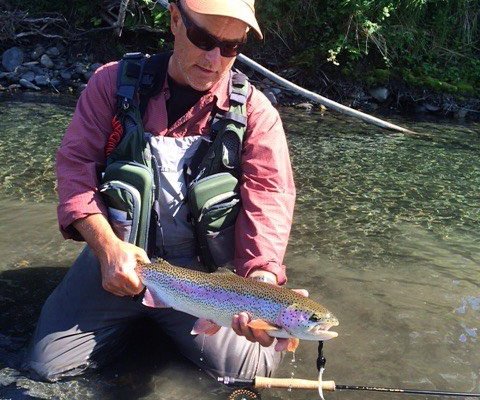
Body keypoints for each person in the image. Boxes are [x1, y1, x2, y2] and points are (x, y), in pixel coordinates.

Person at [24, 0, 296, 383]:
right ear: (174, 20)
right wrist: (106, 247)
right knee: (45, 370)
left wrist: (262, 283)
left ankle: (157, 328)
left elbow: (269, 199)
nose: (214, 58)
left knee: (246, 373)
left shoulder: (256, 113)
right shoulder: (112, 85)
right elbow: (74, 169)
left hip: (203, 280)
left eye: (231, 47)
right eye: (203, 38)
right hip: (116, 260)